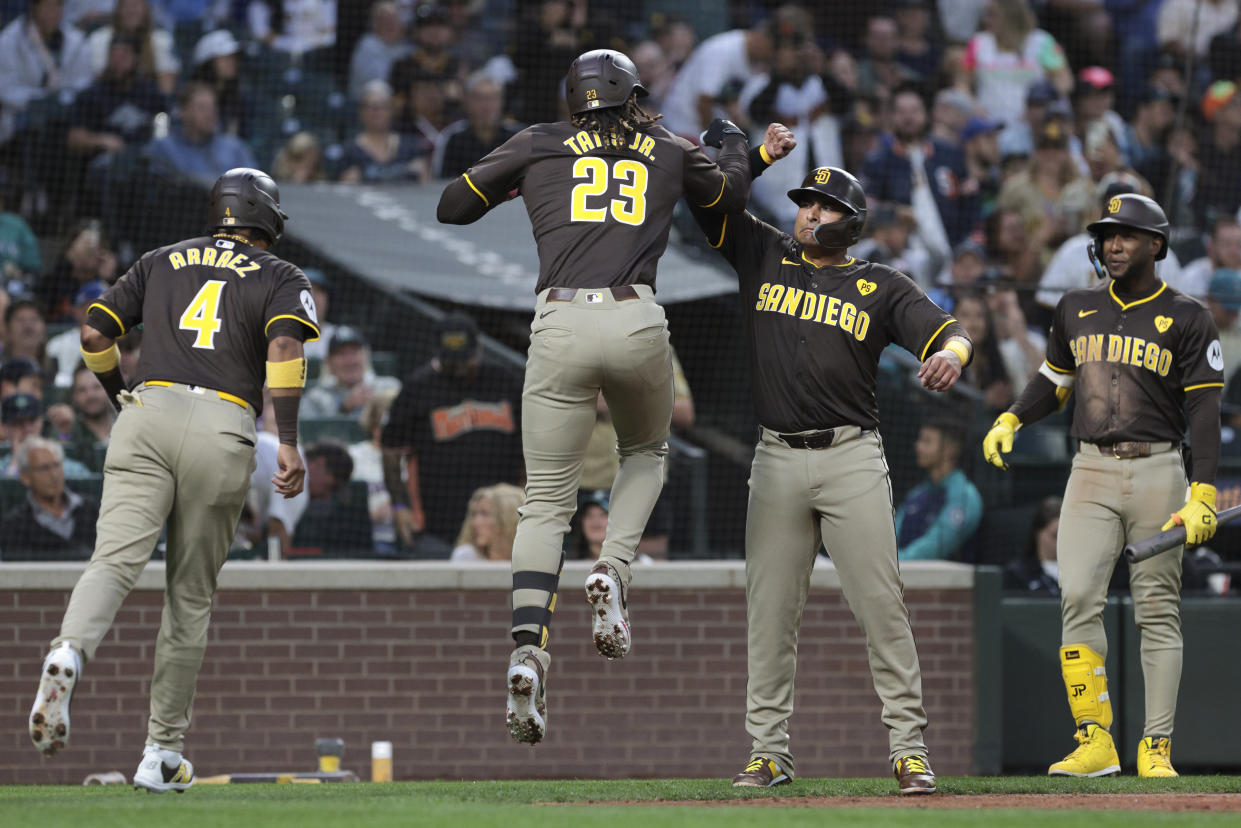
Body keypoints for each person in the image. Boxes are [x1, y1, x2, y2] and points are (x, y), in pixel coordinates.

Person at [436, 48, 751, 746]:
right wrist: (733, 146)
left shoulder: (539, 141)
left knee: (546, 497)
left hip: (558, 320)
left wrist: (517, 180)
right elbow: (727, 197)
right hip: (637, 317)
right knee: (648, 451)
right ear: (632, 94)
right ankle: (612, 567)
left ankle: (527, 648)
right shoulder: (666, 145)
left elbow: (451, 206)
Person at [687, 128, 972, 794]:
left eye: (824, 206)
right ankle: (767, 752)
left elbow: (949, 331)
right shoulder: (763, 251)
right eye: (805, 202)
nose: (810, 213)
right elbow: (707, 207)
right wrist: (751, 158)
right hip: (776, 458)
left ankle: (908, 750)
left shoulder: (880, 284)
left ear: (853, 222)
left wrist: (951, 357)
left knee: (879, 605)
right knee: (770, 610)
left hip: (849, 458)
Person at [27, 168, 317, 793]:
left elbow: (94, 333)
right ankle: (160, 753)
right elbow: (286, 356)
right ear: (266, 220)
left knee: (112, 562)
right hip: (224, 425)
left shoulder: (162, 258)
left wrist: (118, 395)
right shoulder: (281, 276)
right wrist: (287, 441)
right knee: (188, 597)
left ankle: (69, 652)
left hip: (147, 413)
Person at [983, 193, 1223, 779]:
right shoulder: (1075, 305)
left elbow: (1206, 413)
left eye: (1126, 236)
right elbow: (1053, 380)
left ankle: (1156, 747)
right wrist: (1013, 416)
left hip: (1160, 469)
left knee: (1158, 609)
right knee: (1077, 597)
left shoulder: (1189, 315)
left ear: (1156, 245)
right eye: (1107, 235)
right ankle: (1095, 739)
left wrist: (1204, 492)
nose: (1113, 244)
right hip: (1088, 467)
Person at [380, 311, 523, 548]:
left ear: (478, 348)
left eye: (463, 359)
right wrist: (399, 506)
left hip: (502, 516)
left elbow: (530, 446)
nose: (458, 367)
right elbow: (391, 452)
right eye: (451, 360)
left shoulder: (505, 381)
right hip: (438, 519)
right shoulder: (417, 387)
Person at [896, 418, 983, 562]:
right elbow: (891, 535)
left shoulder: (965, 496)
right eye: (920, 440)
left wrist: (891, 564)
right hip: (898, 575)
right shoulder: (917, 494)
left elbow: (935, 548)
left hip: (945, 581)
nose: (918, 446)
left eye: (927, 441)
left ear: (950, 449)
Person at [0, 437, 99, 560]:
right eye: (44, 468)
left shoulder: (92, 509)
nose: (54, 475)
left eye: (56, 465)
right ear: (25, 477)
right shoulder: (14, 525)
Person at [300, 325, 400, 419]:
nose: (350, 361)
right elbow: (311, 434)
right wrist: (344, 408)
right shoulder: (315, 399)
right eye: (341, 354)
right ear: (329, 363)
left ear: (366, 356)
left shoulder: (390, 388)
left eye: (354, 352)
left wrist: (377, 407)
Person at [450, 482, 524, 562]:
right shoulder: (466, 556)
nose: (475, 522)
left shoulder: (530, 557)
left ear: (507, 519)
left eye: (484, 514)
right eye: (474, 514)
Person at [1004, 496, 1062, 594]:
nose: (1061, 543)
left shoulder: (1081, 574)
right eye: (1055, 536)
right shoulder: (1018, 574)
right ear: (1038, 533)